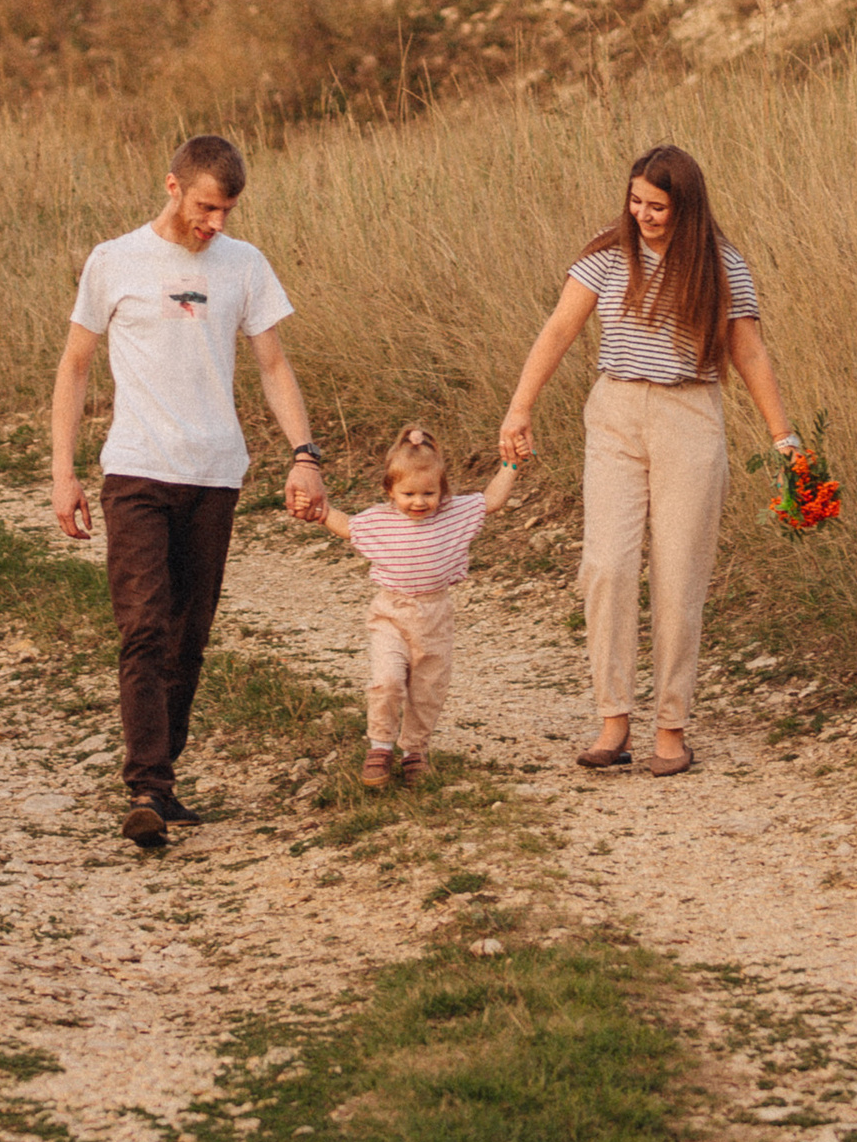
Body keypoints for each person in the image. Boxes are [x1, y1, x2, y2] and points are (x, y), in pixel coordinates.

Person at [50, 132, 329, 851]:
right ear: (173, 187)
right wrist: (64, 470)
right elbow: (75, 366)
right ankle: (147, 785)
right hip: (137, 469)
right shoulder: (114, 261)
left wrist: (305, 454)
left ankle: (161, 777)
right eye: (208, 207)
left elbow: (272, 364)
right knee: (144, 625)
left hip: (215, 473)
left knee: (189, 637)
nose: (217, 224)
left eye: (229, 211)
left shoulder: (245, 265)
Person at [497, 143, 795, 778]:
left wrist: (785, 440)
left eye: (657, 206)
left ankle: (671, 726)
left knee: (680, 569)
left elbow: (751, 355)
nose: (643, 215)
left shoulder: (723, 265)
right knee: (606, 563)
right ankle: (613, 720)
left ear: (686, 206)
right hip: (616, 413)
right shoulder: (608, 253)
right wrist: (519, 407)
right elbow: (558, 329)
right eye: (635, 202)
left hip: (690, 415)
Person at [315, 424, 519, 788]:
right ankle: (380, 746)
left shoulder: (455, 514)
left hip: (436, 614)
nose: (420, 502)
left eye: (429, 493)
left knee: (428, 689)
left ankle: (415, 750)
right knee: (387, 680)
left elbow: (493, 499)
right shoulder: (379, 521)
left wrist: (511, 465)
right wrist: (317, 507)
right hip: (390, 613)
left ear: (443, 491)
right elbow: (345, 525)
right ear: (389, 491)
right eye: (408, 493)